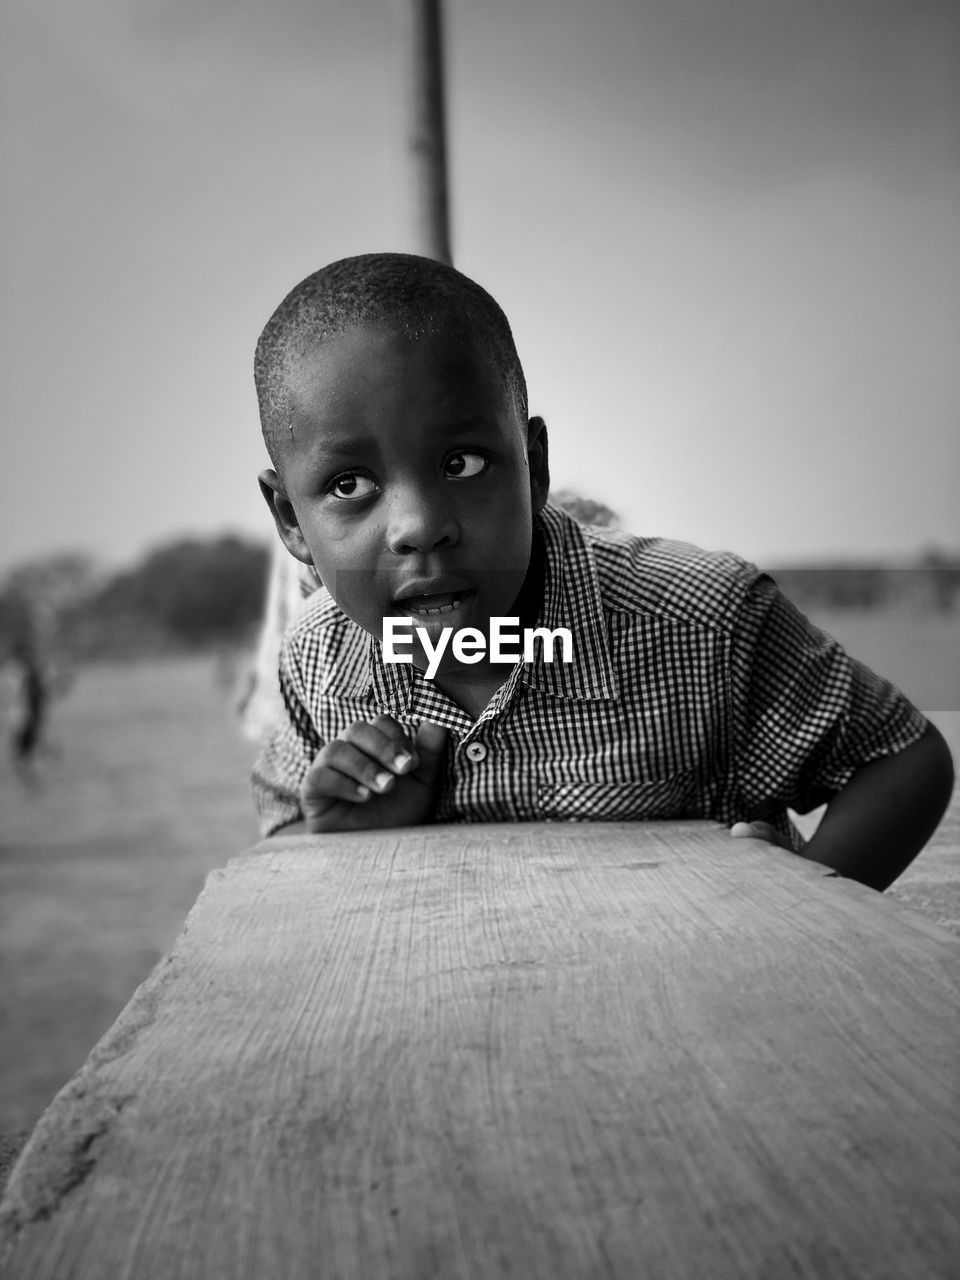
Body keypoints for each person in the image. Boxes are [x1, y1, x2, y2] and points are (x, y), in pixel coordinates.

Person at [251, 253, 954, 892]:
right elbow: (283, 840)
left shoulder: (702, 622)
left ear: (535, 467)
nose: (417, 525)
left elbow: (901, 757)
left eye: (461, 463)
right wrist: (344, 841)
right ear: (290, 519)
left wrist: (803, 905)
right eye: (349, 485)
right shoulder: (317, 664)